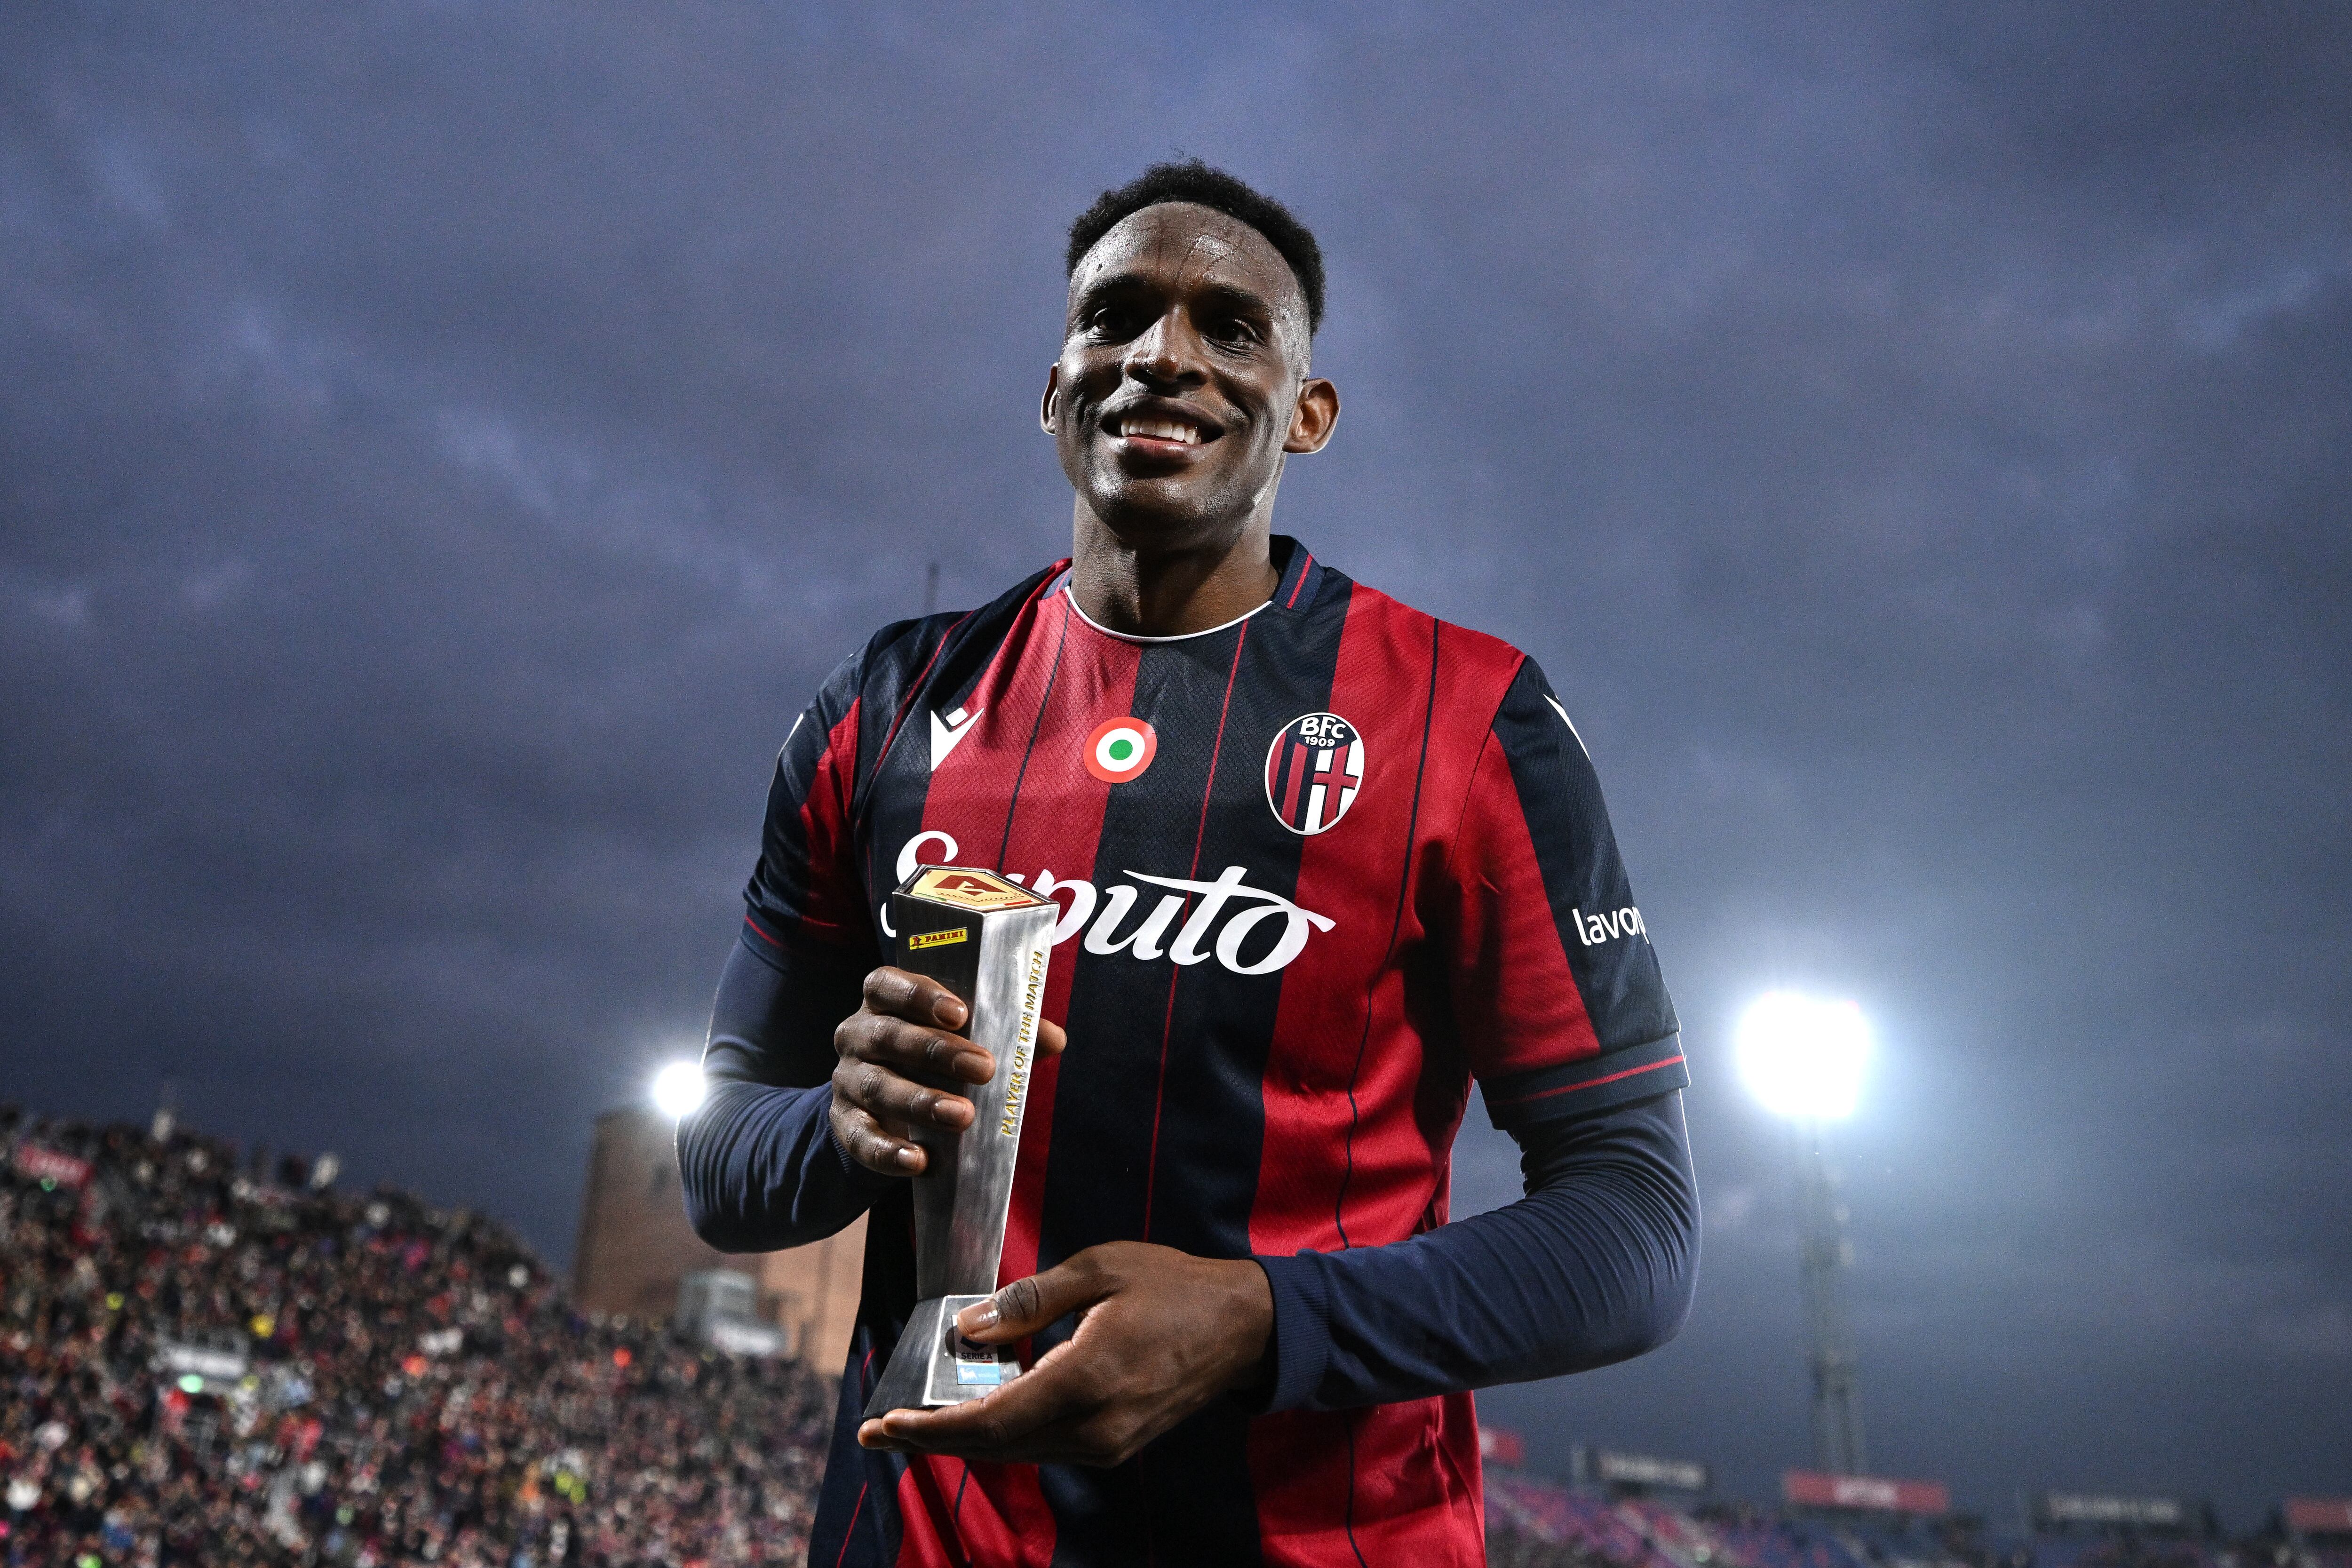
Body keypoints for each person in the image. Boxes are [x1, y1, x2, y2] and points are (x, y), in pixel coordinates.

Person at [677, 159, 1698, 1567]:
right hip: (913, 1534)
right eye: (1115, 317)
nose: (1163, 354)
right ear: (1056, 392)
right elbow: (719, 1165)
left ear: (1308, 412)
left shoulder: (1469, 722)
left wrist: (1262, 1322)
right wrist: (836, 1127)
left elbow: (1637, 1226)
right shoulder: (884, 711)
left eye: (1231, 326)